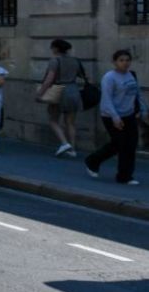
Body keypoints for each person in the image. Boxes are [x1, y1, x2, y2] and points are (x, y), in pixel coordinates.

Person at [85, 50, 149, 185]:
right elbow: (106, 99)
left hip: (129, 115)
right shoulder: (109, 77)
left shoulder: (131, 75)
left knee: (130, 145)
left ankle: (125, 176)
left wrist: (143, 110)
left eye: (127, 60)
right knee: (119, 144)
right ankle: (93, 160)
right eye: (121, 60)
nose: (125, 63)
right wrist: (115, 117)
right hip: (111, 115)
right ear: (115, 62)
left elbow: (137, 94)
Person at [36, 39, 83, 157]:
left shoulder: (55, 61)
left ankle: (64, 143)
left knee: (53, 119)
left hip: (60, 90)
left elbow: (49, 80)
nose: (51, 49)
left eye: (52, 47)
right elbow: (82, 75)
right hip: (74, 89)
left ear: (56, 48)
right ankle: (72, 149)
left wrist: (40, 93)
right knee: (70, 122)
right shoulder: (75, 61)